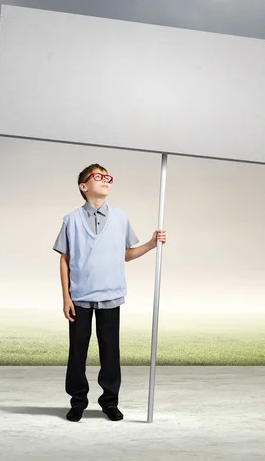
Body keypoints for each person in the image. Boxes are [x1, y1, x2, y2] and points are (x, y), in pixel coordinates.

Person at [52, 163, 166, 422]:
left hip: (110, 295)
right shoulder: (70, 220)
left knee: (110, 352)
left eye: (108, 177)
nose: (106, 180)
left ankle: (109, 401)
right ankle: (78, 401)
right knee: (77, 351)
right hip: (79, 297)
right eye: (99, 177)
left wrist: (151, 244)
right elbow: (65, 259)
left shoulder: (120, 218)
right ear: (84, 186)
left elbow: (126, 254)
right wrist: (66, 297)